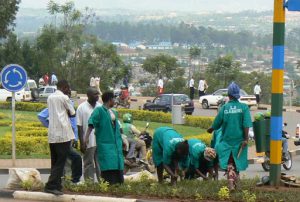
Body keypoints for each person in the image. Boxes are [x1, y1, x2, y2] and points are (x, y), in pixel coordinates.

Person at [207, 82, 252, 191]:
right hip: (239, 142)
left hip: (226, 143)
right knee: (235, 164)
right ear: (238, 94)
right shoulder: (244, 107)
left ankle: (232, 184)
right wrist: (246, 139)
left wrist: (211, 129)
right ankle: (234, 184)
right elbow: (246, 125)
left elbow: (216, 124)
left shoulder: (225, 108)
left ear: (229, 94)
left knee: (230, 163)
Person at [84, 92, 124, 185]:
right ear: (110, 99)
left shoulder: (114, 112)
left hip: (116, 145)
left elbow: (117, 128)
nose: (115, 101)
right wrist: (86, 138)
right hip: (105, 145)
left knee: (117, 167)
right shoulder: (99, 111)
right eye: (114, 99)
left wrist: (122, 139)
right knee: (108, 166)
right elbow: (91, 123)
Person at [44, 80, 76, 195]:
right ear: (64, 87)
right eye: (68, 88)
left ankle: (57, 185)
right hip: (63, 134)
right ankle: (50, 185)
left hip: (52, 134)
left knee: (55, 161)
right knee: (61, 162)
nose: (69, 90)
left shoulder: (50, 97)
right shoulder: (64, 98)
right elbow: (73, 113)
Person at [38, 107, 82, 185]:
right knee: (71, 158)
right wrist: (50, 126)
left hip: (70, 137)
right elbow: (41, 116)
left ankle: (67, 181)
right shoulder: (57, 106)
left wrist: (75, 137)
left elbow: (73, 123)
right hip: (61, 137)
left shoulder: (69, 104)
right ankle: (69, 181)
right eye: (67, 94)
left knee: (68, 160)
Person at [77, 87, 101, 182]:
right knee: (88, 164)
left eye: (98, 94)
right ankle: (89, 184)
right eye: (95, 94)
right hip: (88, 142)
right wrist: (82, 142)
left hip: (99, 140)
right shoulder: (81, 108)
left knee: (100, 163)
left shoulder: (100, 107)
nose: (97, 96)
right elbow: (79, 126)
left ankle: (102, 184)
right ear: (89, 95)